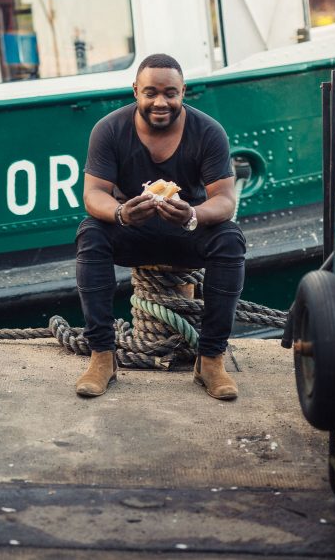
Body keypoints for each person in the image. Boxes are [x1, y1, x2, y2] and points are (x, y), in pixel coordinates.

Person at [75, 52, 246, 401]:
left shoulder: (208, 131)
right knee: (91, 233)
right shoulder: (109, 129)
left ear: (183, 91)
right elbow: (93, 194)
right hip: (132, 230)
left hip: (186, 230)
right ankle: (102, 357)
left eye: (170, 93)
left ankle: (210, 360)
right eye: (150, 92)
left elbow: (225, 200)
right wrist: (121, 213)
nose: (160, 102)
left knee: (230, 239)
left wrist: (193, 214)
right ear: (135, 91)